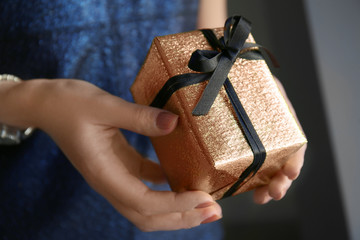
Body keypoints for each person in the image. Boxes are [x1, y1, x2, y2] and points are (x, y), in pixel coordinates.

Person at [0, 0, 306, 239]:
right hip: (40, 202)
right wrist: (40, 102)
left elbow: (211, 39)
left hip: (186, 207)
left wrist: (254, 91)